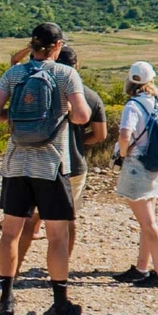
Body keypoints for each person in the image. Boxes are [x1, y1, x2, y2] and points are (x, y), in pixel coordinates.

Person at [0, 23, 92, 315]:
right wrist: (60, 113)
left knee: (10, 233)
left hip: (16, 162)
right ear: (57, 46)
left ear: (31, 45)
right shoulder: (66, 74)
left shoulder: (15, 73)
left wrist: (16, 116)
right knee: (57, 236)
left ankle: (6, 299)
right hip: (52, 163)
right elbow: (83, 115)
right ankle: (60, 302)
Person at [15, 45, 106, 272]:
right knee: (67, 220)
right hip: (73, 164)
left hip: (39, 159)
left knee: (31, 219)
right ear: (77, 66)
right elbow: (100, 134)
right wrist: (77, 141)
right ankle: (59, 269)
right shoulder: (91, 97)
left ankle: (13, 270)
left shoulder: (40, 88)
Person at [111, 62, 158, 289]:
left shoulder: (133, 106)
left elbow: (125, 134)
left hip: (137, 165)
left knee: (148, 222)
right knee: (147, 220)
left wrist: (124, 153)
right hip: (155, 165)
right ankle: (142, 268)